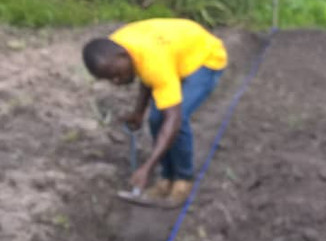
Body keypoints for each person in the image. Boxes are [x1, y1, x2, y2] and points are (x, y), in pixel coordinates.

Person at [82, 18, 228, 207]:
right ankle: (166, 178)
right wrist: (139, 113)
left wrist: (148, 167)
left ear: (122, 55)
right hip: (172, 51)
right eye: (110, 79)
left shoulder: (152, 61)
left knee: (178, 117)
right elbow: (146, 77)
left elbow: (172, 116)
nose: (116, 81)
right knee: (155, 119)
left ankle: (183, 180)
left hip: (204, 58)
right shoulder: (116, 50)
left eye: (117, 74)